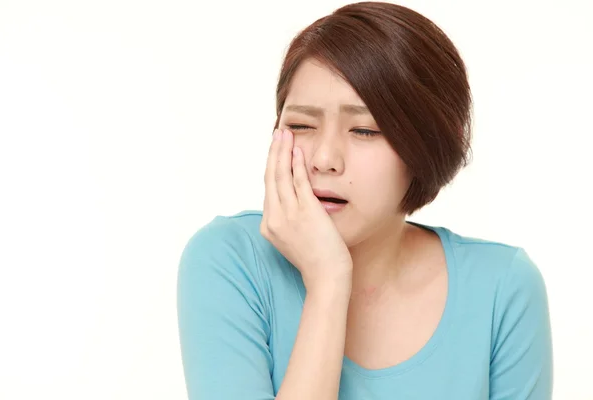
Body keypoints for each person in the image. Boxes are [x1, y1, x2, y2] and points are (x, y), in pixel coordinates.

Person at [176, 2, 553, 399]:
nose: (324, 159)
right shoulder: (230, 260)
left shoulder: (503, 289)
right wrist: (328, 282)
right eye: (301, 125)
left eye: (365, 130)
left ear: (428, 144)